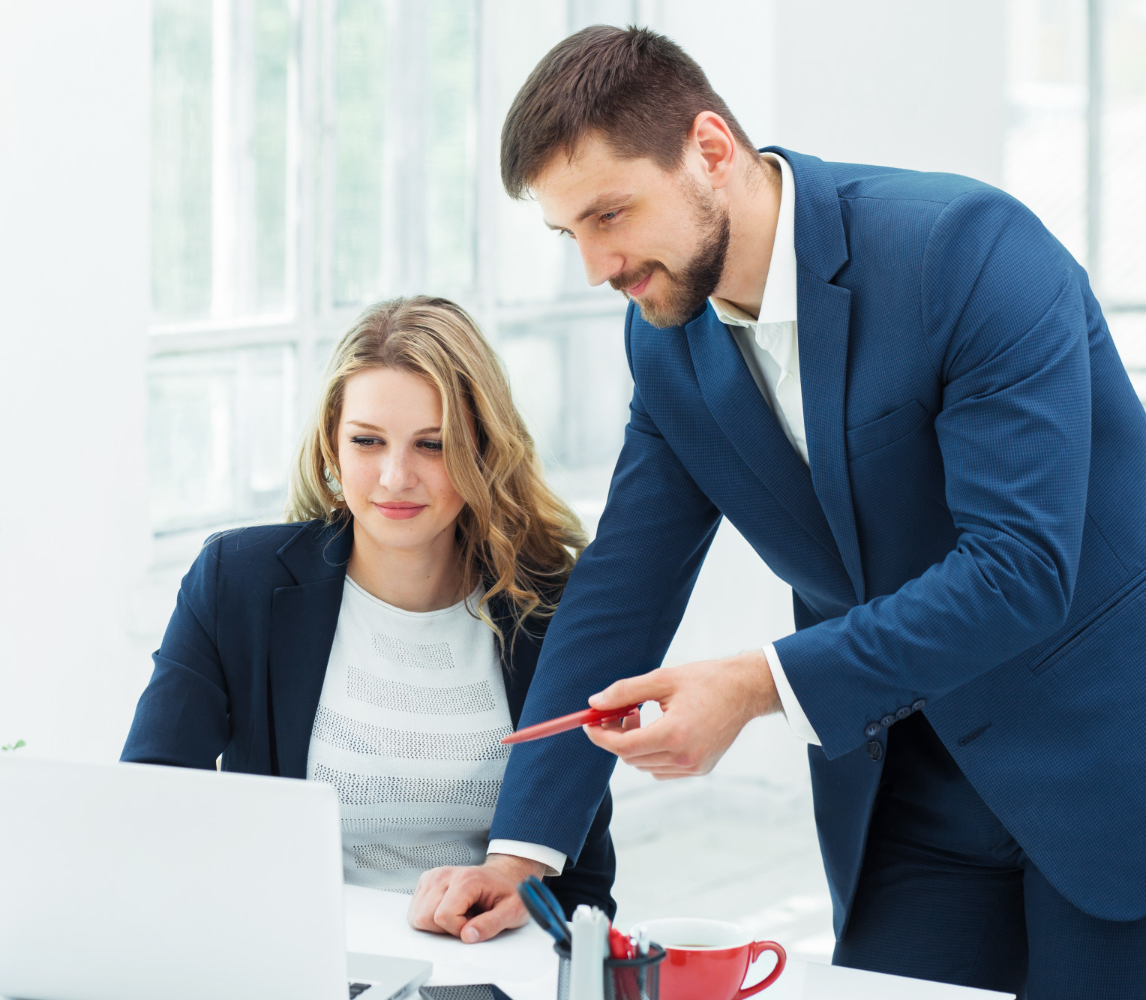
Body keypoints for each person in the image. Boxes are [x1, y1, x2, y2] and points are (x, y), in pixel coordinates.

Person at [407, 25, 1146, 996]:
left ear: (710, 149)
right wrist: (523, 852)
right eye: (568, 233)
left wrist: (758, 685)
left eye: (611, 214)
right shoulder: (667, 345)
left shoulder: (966, 251)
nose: (597, 267)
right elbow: (622, 587)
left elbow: (1020, 568)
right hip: (904, 794)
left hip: (1101, 762)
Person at [121, 295, 615, 926]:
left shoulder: (547, 607)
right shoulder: (234, 582)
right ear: (332, 445)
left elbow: (585, 880)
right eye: (367, 441)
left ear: (482, 450)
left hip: (482, 968)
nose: (394, 477)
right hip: (300, 966)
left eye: (432, 445)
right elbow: (148, 804)